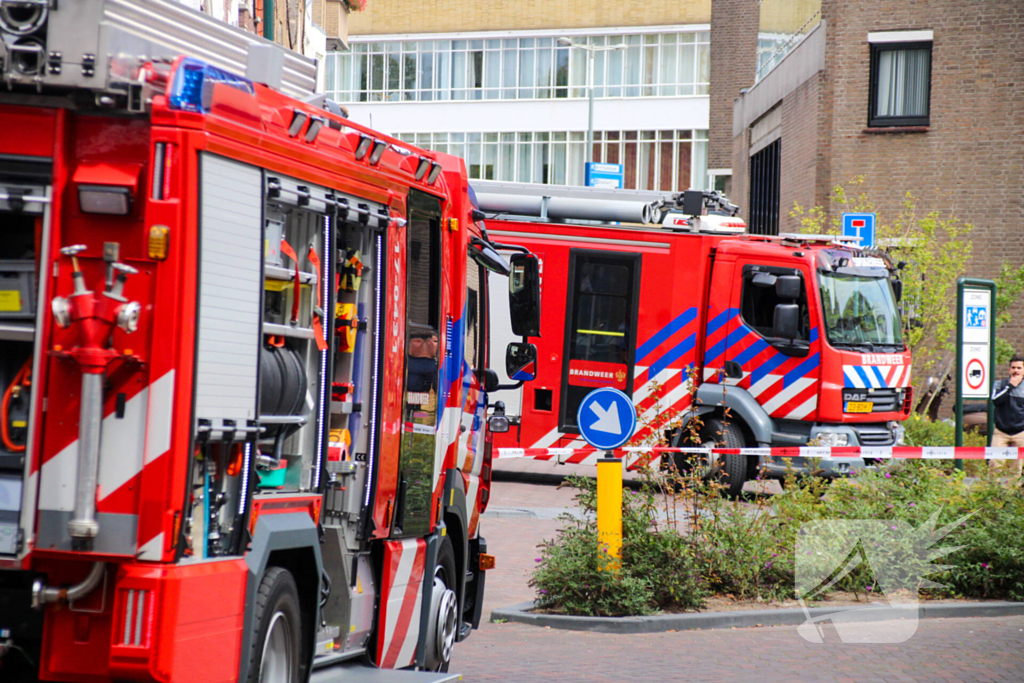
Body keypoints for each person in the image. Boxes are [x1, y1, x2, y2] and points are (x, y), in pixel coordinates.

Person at [989, 355, 1024, 480]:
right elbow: (995, 400)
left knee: (1016, 467)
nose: (1016, 370)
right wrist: (1010, 386)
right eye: (1013, 367)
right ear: (1009, 370)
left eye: (1019, 368)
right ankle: (993, 492)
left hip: (1020, 432)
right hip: (1001, 431)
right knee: (995, 464)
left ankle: (1011, 495)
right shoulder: (1000, 384)